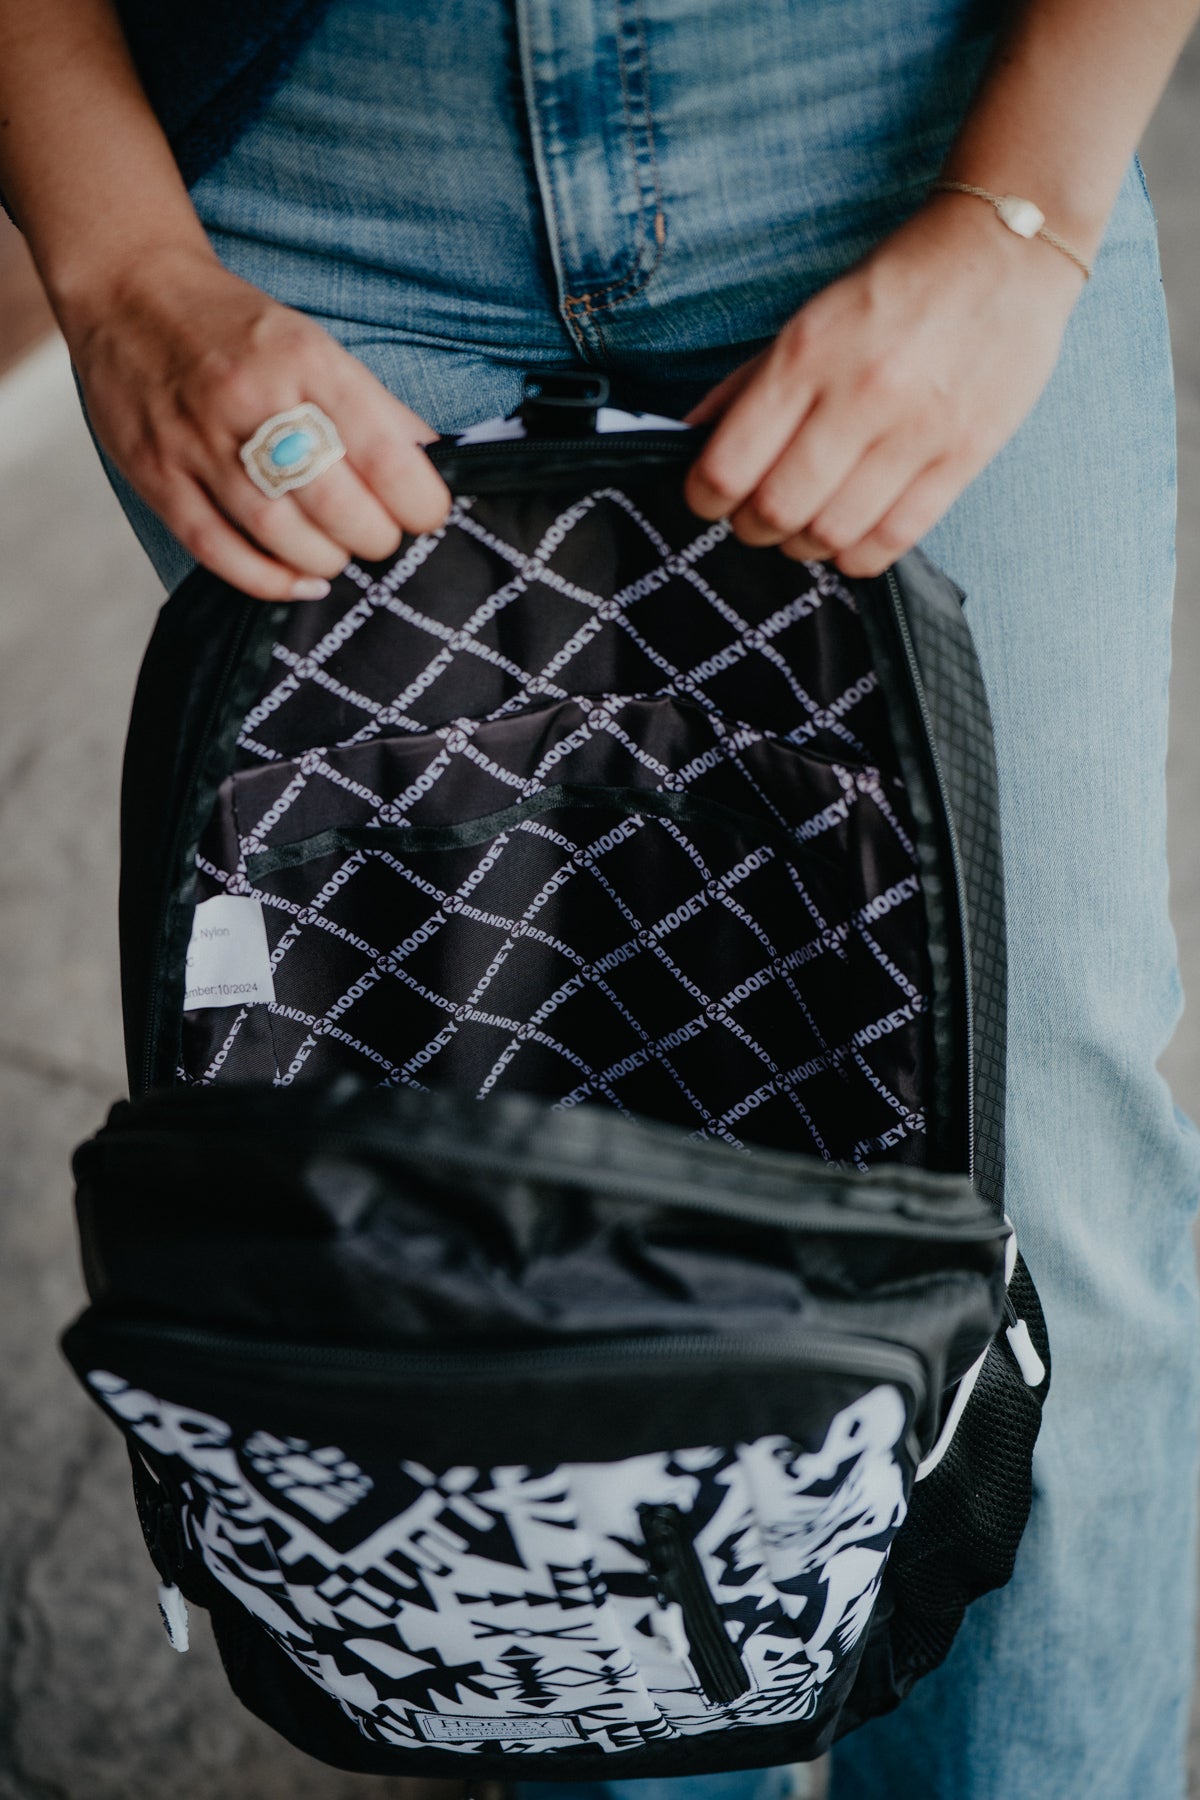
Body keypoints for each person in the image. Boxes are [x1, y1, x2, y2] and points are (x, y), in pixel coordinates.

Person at [2, 0, 1199, 1793]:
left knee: (1044, 1216)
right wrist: (112, 258)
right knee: (507, 1239)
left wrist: (1018, 215)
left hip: (894, 126)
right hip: (316, 193)